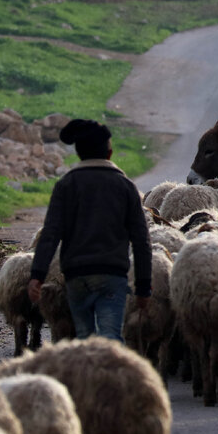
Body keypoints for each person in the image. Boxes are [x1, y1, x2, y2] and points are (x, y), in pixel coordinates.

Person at [28, 118, 151, 342]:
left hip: (77, 276)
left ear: (79, 154)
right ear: (109, 153)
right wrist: (143, 287)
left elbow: (50, 234)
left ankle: (87, 375)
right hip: (112, 275)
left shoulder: (66, 185)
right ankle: (109, 376)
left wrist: (37, 275)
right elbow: (142, 240)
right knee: (111, 336)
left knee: (84, 338)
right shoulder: (125, 186)